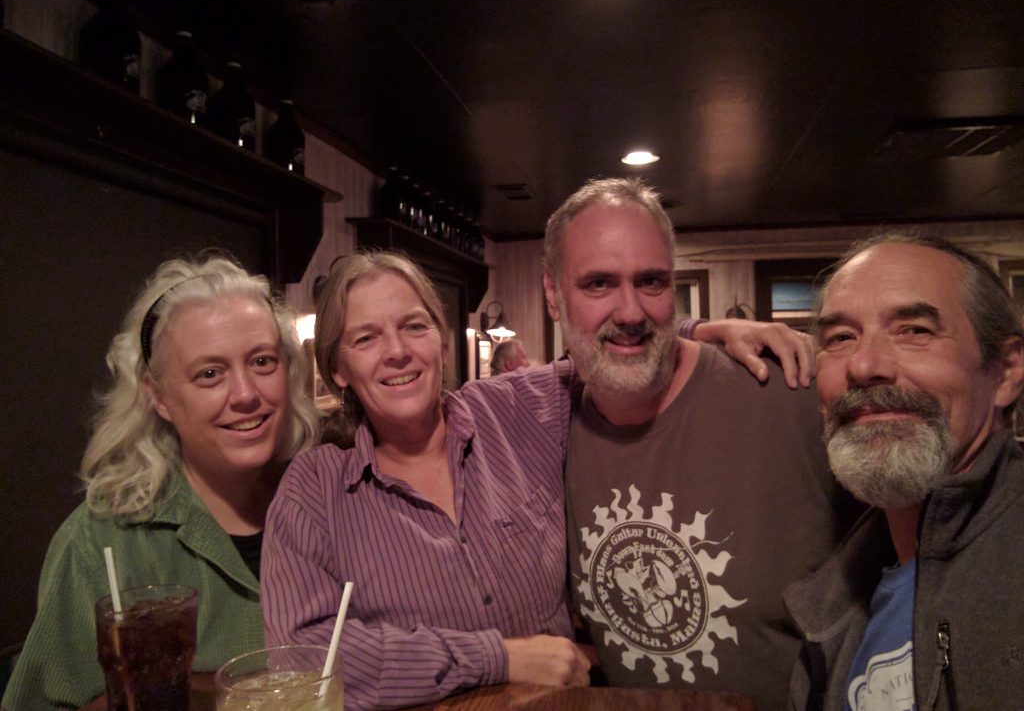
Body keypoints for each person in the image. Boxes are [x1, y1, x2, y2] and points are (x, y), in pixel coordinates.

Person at [261, 250, 813, 710]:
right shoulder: (315, 489)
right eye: (366, 339)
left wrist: (707, 329)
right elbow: (303, 658)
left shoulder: (519, 409)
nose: (398, 351)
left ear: (440, 338)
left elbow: (616, 351)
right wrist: (498, 658)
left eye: (414, 325)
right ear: (337, 368)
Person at [545, 178, 857, 710]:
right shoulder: (546, 422)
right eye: (598, 284)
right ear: (553, 295)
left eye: (651, 282)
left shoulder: (790, 393)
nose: (629, 312)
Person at [2, 255, 320, 710]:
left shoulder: (327, 502)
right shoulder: (100, 544)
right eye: (210, 373)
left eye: (262, 361)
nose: (247, 394)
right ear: (159, 397)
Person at [785, 234, 1024, 710]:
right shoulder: (838, 595)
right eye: (840, 338)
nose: (865, 364)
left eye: (915, 330)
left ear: (1005, 372)